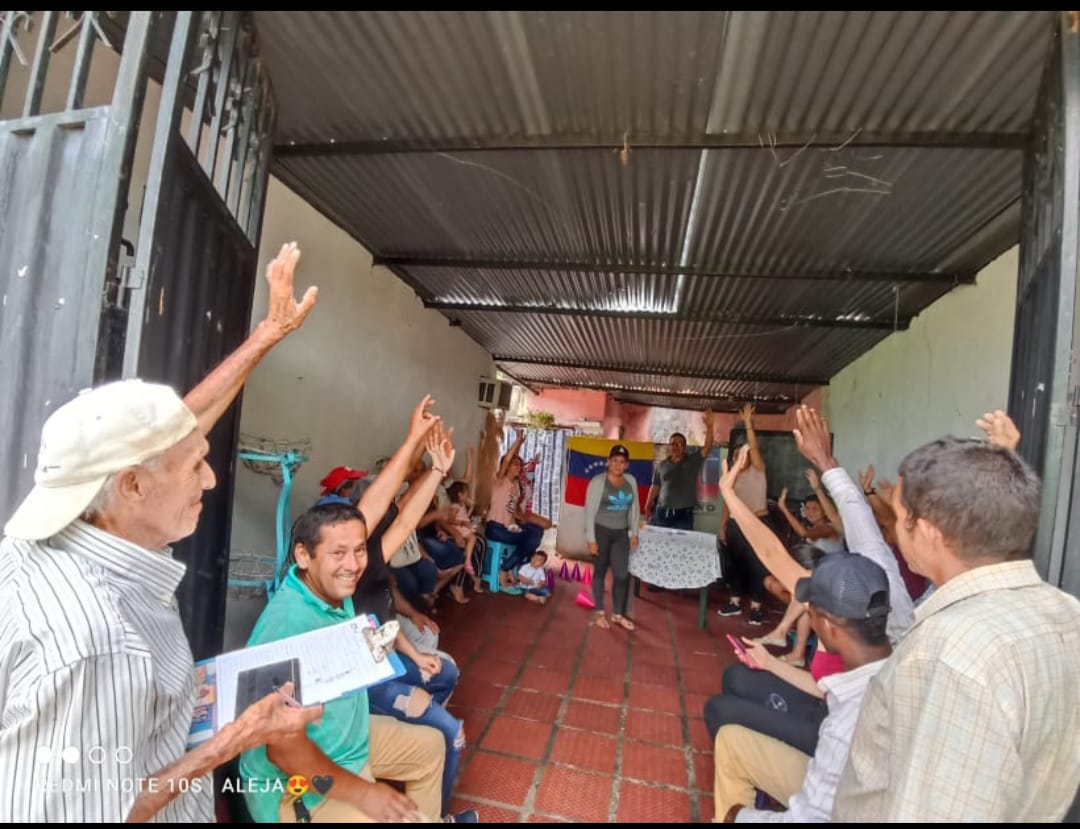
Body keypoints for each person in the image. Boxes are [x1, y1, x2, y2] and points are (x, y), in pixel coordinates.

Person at [0, 242, 323, 822]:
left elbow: (172, 436)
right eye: (195, 465)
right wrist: (235, 739)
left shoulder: (56, 520)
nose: (209, 478)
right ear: (131, 486)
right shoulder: (97, 646)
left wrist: (267, 335)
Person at [831, 410, 1080, 821]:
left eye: (898, 518)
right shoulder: (1066, 615)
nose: (894, 528)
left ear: (928, 532)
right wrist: (1001, 458)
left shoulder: (952, 656)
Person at [239, 502, 454, 824]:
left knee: (430, 745)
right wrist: (364, 793)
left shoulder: (330, 592)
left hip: (344, 741)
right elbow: (282, 750)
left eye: (359, 551)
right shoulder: (286, 626)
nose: (353, 565)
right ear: (302, 556)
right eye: (338, 554)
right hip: (295, 786)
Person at [714, 550, 893, 823]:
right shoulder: (898, 664)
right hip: (852, 789)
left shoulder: (845, 725)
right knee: (731, 735)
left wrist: (737, 817)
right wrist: (769, 663)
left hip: (845, 808)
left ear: (828, 625)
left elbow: (809, 819)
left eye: (811, 610)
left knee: (722, 712)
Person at [717, 405, 770, 624]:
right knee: (734, 564)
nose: (740, 458)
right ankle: (735, 602)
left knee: (758, 566)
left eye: (744, 454)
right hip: (736, 526)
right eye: (736, 455)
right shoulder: (733, 477)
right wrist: (722, 526)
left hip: (758, 522)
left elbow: (754, 447)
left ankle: (756, 608)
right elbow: (728, 505)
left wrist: (748, 424)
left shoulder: (758, 470)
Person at [585, 444, 641, 631]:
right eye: (615, 461)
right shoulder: (598, 482)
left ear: (627, 465)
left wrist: (634, 533)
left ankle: (617, 614)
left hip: (620, 534)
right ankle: (600, 611)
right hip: (601, 532)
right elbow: (589, 513)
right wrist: (591, 540)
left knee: (621, 575)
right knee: (600, 572)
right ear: (608, 462)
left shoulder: (630, 481)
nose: (618, 465)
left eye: (622, 462)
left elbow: (635, 508)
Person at [486, 428, 544, 589]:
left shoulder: (516, 486)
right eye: (516, 465)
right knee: (528, 539)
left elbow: (511, 512)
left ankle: (511, 566)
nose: (519, 467)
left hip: (507, 527)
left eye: (520, 465)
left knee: (536, 532)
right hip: (495, 528)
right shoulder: (499, 480)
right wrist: (518, 442)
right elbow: (505, 461)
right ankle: (506, 570)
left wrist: (516, 526)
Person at [646, 410, 715, 530]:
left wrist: (710, 426)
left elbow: (707, 446)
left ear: (685, 447)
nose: (676, 446)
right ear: (669, 445)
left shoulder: (693, 460)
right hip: (663, 512)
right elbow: (655, 486)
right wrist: (648, 505)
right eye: (673, 444)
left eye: (680, 444)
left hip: (685, 514)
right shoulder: (661, 465)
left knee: (684, 544)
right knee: (661, 543)